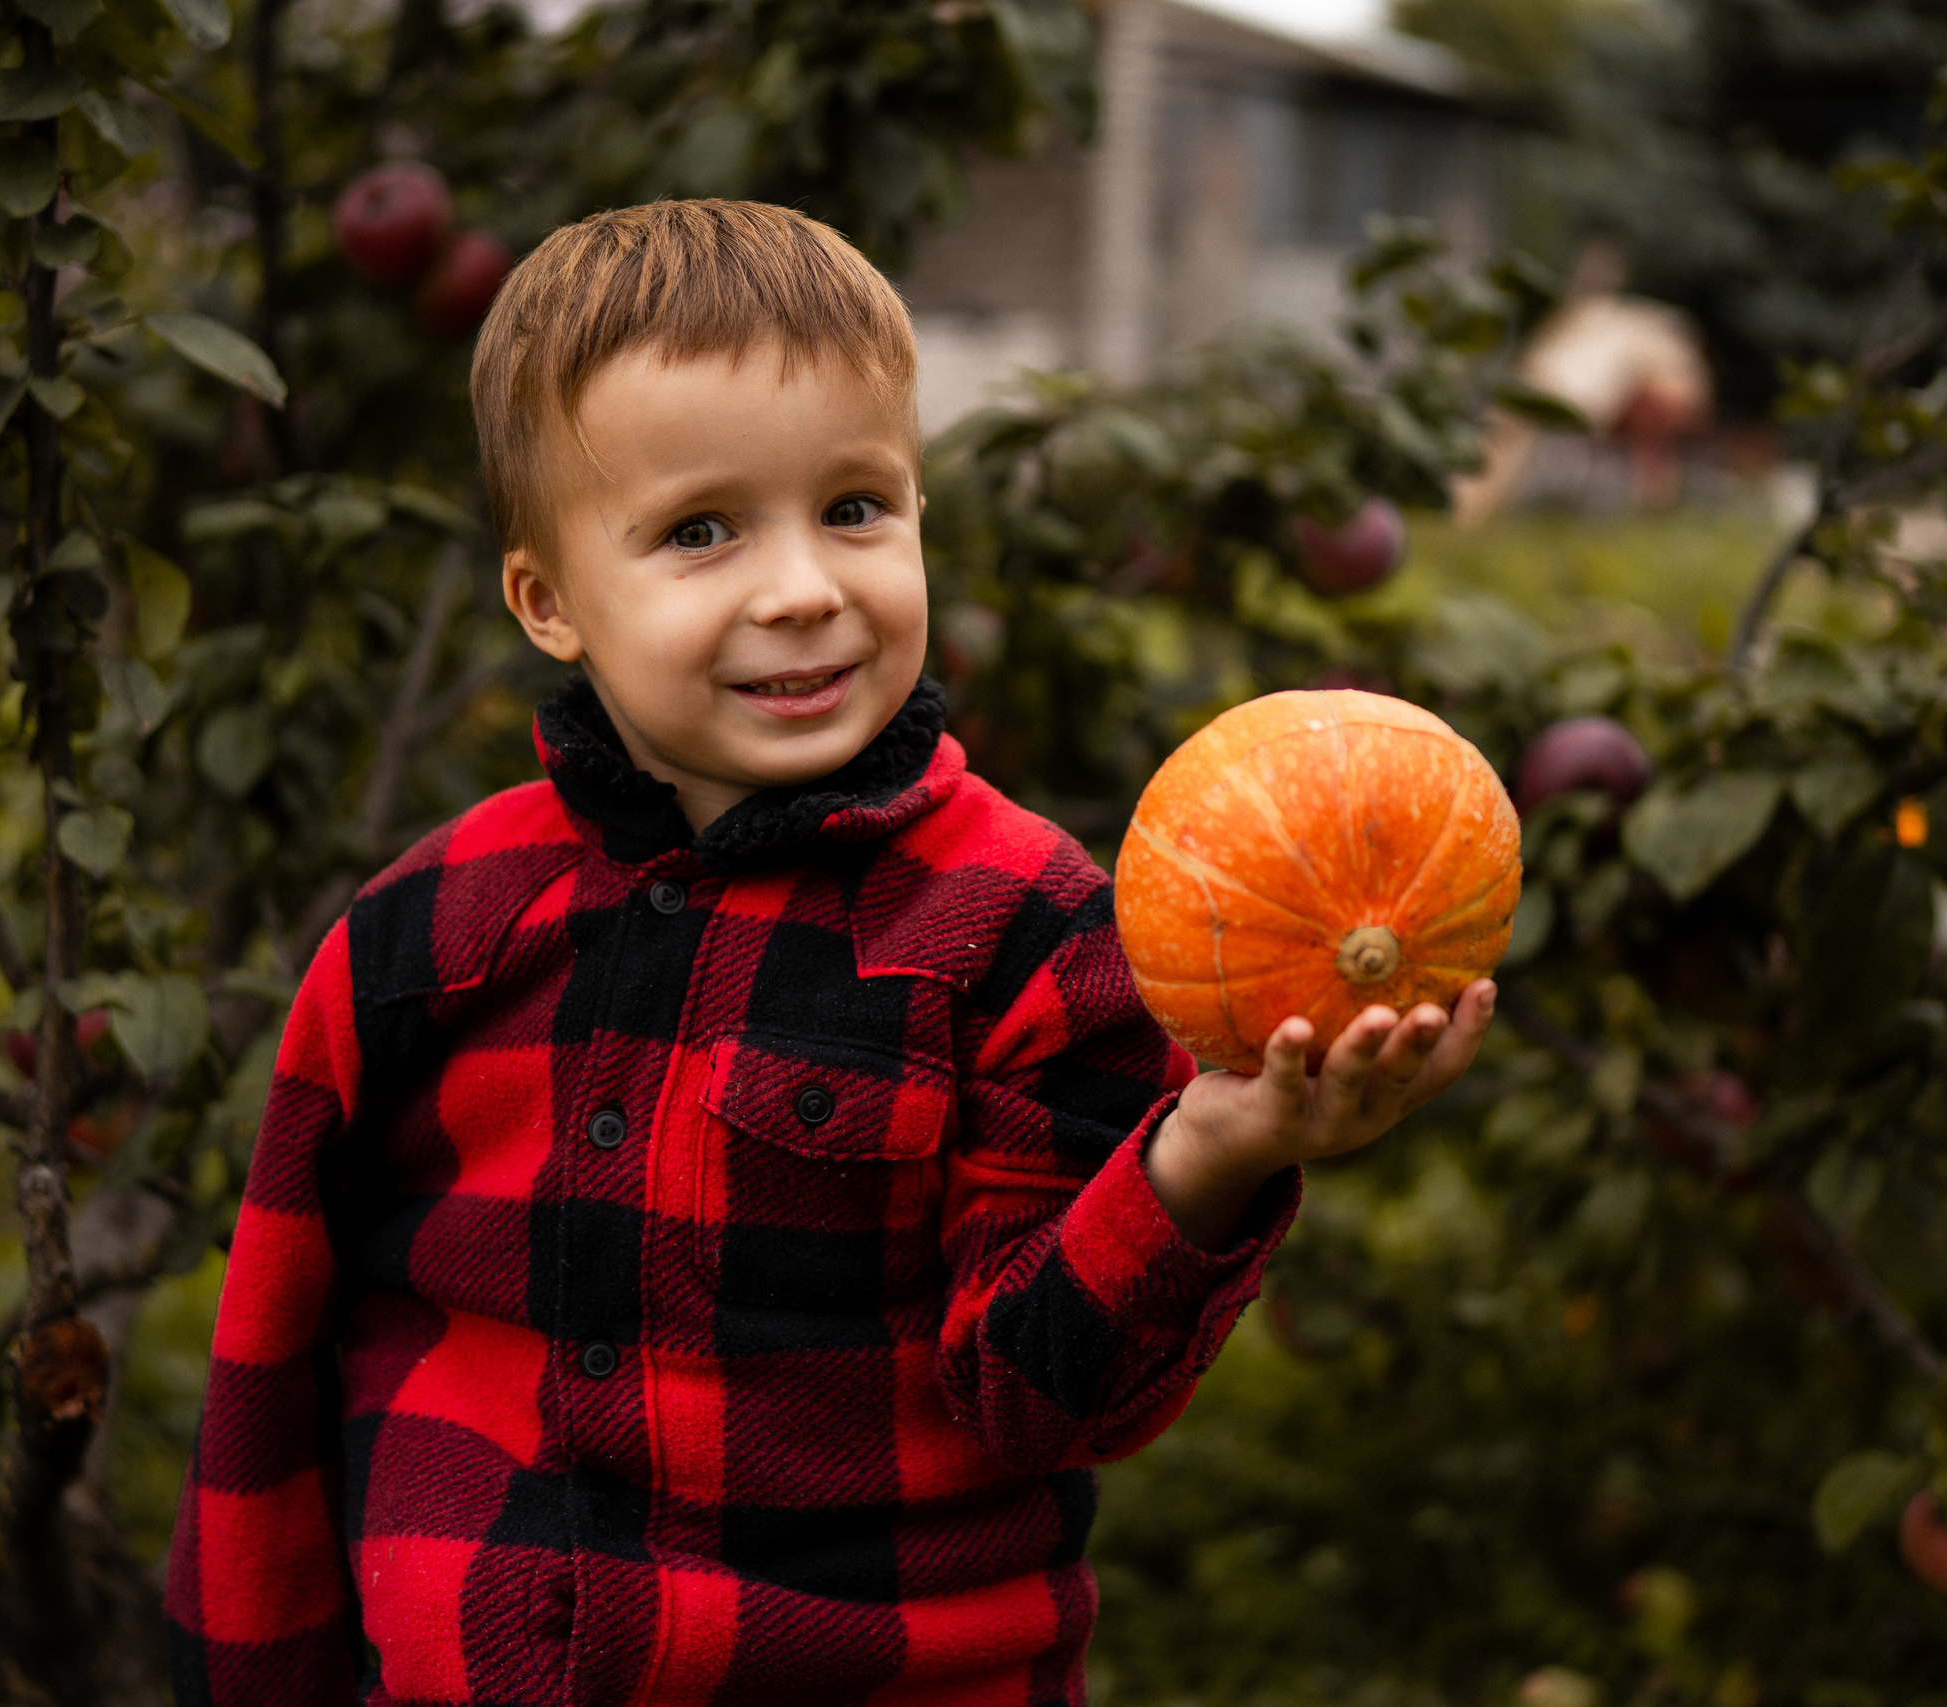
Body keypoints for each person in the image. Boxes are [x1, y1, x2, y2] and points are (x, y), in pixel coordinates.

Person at [165, 199, 1495, 1707]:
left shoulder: (1024, 931)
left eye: (855, 508)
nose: (803, 588)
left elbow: (1038, 1396)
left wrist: (1209, 1158)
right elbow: (271, 1365)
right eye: (700, 531)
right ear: (549, 602)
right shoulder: (430, 934)